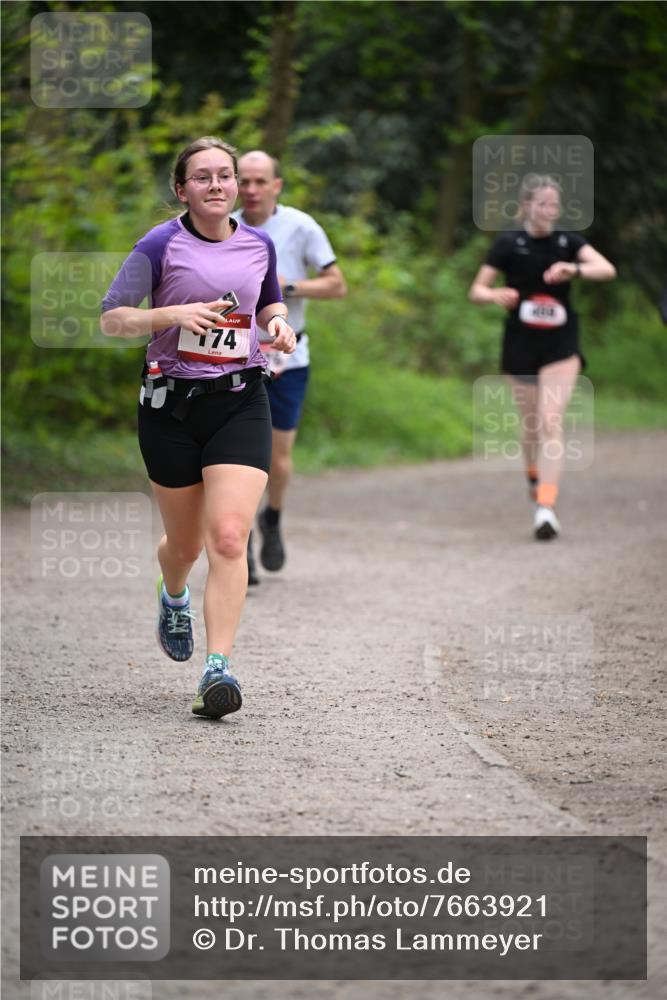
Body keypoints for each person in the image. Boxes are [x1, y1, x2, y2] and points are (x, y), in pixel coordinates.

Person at [100, 136, 296, 718]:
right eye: (203, 177)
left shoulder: (259, 245)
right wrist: (170, 314)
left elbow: (270, 305)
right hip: (170, 407)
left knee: (230, 537)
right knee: (184, 545)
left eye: (226, 176)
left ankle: (218, 670)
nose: (217, 185)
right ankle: (174, 594)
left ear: (238, 186)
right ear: (181, 189)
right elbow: (113, 318)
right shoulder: (160, 243)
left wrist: (279, 326)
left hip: (241, 399)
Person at [469, 173, 616, 540]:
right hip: (520, 343)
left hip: (561, 344)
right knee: (532, 425)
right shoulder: (508, 243)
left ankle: (547, 506)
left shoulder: (568, 242)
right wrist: (494, 295)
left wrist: (575, 269)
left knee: (551, 421)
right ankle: (535, 486)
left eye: (554, 204)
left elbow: (607, 269)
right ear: (525, 206)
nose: (549, 210)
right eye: (542, 203)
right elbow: (476, 290)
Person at [233, 150, 347, 582]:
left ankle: (272, 519)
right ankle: (239, 539)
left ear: (276, 185)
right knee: (240, 456)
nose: (252, 190)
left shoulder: (301, 227)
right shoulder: (224, 227)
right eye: (244, 181)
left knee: (277, 460)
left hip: (288, 355)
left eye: (261, 181)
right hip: (233, 355)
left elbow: (338, 285)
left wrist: (289, 285)